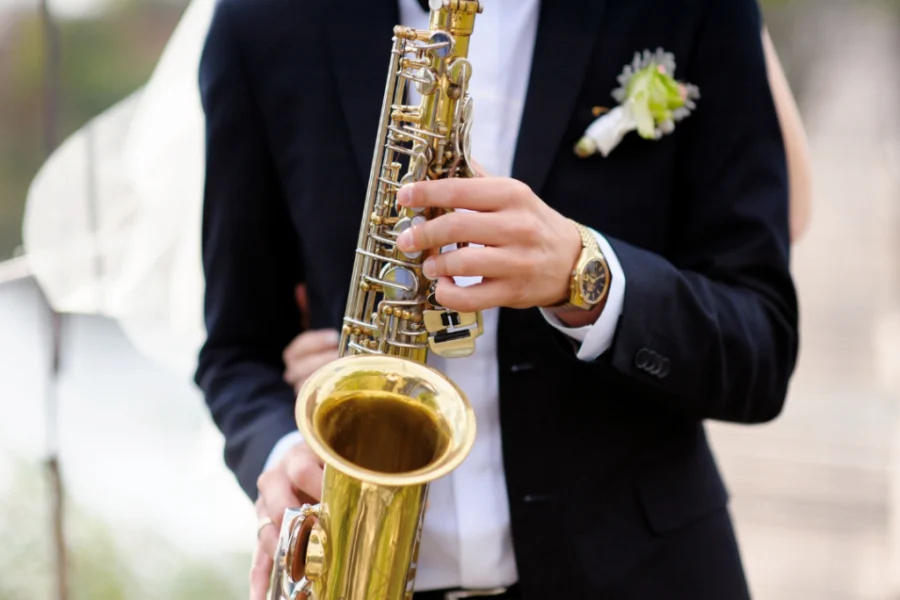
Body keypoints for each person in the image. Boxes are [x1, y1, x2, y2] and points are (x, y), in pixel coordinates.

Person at [195, 0, 800, 598]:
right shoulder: (261, 21)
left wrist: (586, 274)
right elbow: (237, 353)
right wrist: (284, 454)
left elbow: (761, 345)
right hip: (359, 573)